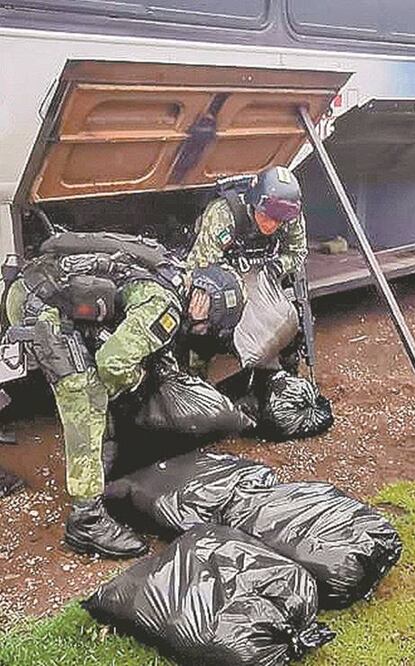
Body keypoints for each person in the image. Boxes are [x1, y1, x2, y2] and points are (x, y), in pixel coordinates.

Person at [4, 234, 244, 558]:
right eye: (207, 326)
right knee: (87, 396)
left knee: (108, 372)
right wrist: (137, 384)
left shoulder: (170, 268)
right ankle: (86, 521)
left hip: (35, 282)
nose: (201, 332)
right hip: (42, 306)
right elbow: (114, 365)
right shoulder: (165, 305)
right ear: (206, 305)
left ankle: (107, 455)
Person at [184, 165, 307, 375]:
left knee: (289, 323)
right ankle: (197, 374)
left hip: (261, 270)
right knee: (200, 319)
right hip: (222, 273)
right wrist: (234, 284)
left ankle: (287, 377)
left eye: (279, 221)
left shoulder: (289, 215)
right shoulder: (224, 214)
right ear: (254, 204)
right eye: (267, 217)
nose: (272, 225)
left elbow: (297, 253)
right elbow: (199, 266)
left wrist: (277, 267)